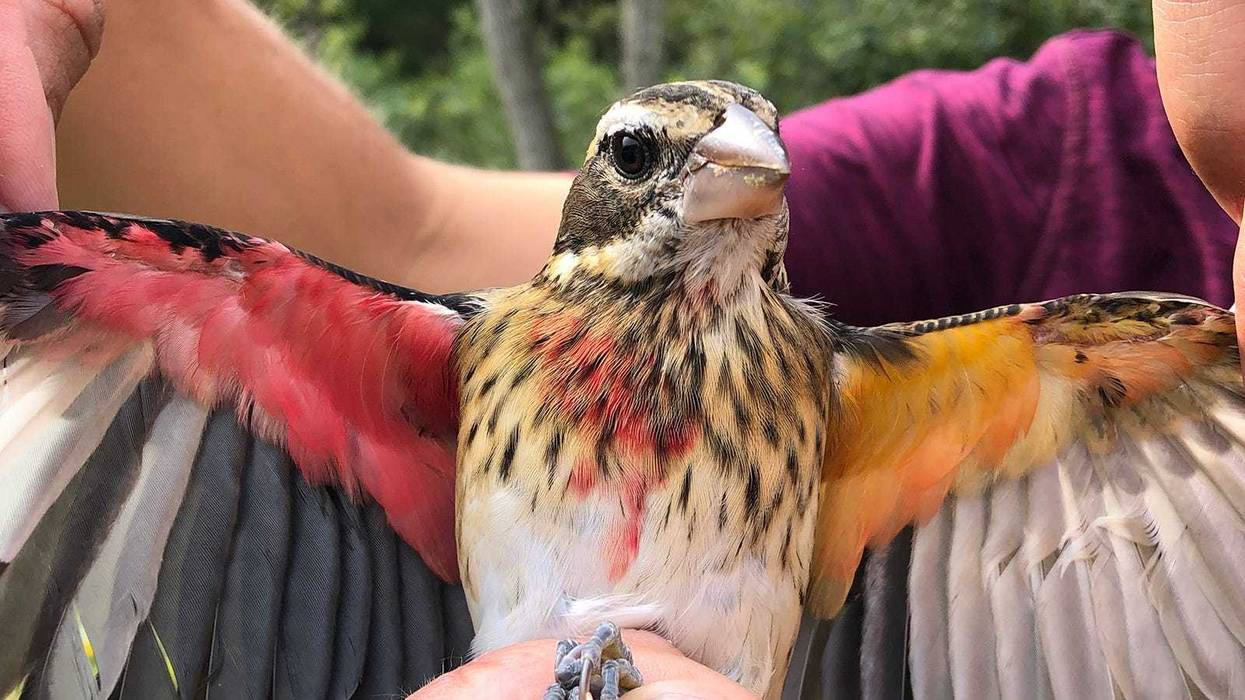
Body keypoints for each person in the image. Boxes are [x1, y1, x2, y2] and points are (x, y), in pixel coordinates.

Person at [2, 0, 1244, 697]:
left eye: (752, 159)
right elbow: (402, 227)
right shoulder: (452, 358)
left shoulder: (908, 389)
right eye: (651, 159)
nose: (729, 174)